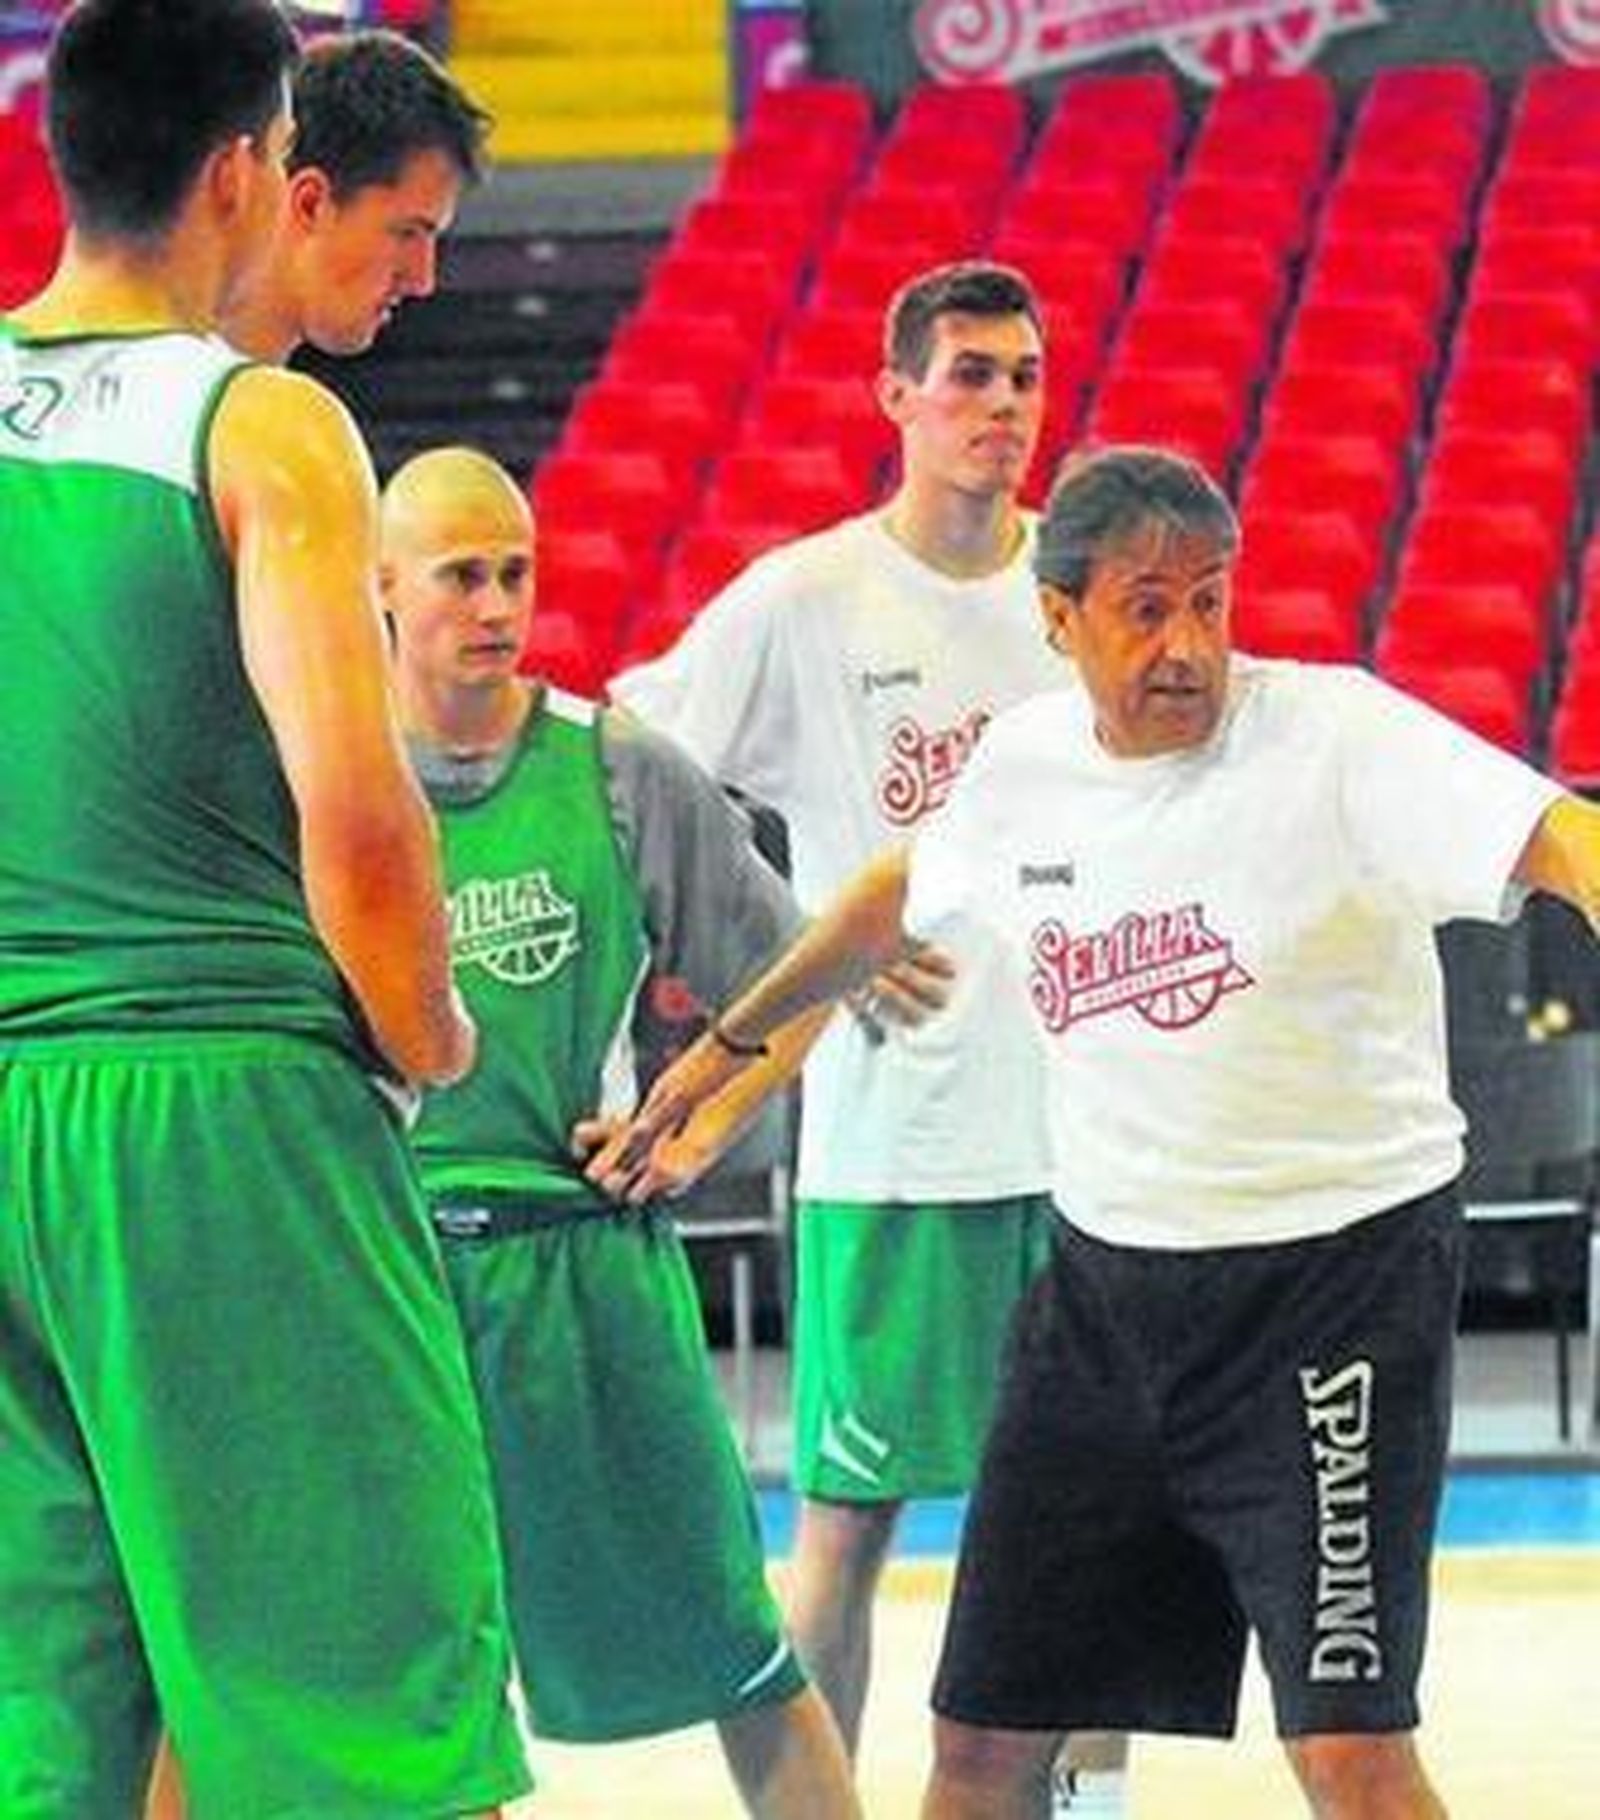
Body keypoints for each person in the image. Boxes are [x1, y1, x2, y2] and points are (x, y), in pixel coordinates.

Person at [591, 444, 1600, 1820]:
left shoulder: (1338, 736)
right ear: (1056, 620)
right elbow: (897, 890)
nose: (1185, 643)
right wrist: (726, 1048)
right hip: (1108, 1305)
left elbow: (1557, 841)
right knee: (983, 1741)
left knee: (1350, 1755)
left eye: (1211, 603)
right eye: (1144, 607)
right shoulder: (1026, 766)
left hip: (1332, 1299)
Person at [0, 4, 528, 1815]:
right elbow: (361, 820)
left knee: (57, 1712)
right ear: (244, 172)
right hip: (221, 1111)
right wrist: (431, 1037)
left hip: (9, 1114)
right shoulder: (265, 424)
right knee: (363, 1696)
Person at [613, 259, 1127, 1814]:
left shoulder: (1083, 597)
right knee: (848, 1519)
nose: (1000, 406)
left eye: (1024, 376)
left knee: (1099, 1518)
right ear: (896, 395)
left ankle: (1085, 1809)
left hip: (1094, 1147)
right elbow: (629, 755)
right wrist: (786, 938)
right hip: (896, 1146)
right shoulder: (807, 597)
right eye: (968, 374)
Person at [378, 444, 867, 1819]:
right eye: (461, 576)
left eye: (514, 573)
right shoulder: (324, 775)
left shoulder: (614, 765)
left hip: (580, 1265)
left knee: (735, 1640)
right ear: (381, 590)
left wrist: (703, 1123)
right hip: (389, 1279)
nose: (494, 604)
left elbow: (805, 973)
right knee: (413, 1681)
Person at [222, 23, 489, 363]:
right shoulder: (279, 409)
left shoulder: (151, 375)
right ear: (311, 204)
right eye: (406, 232)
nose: (422, 280)